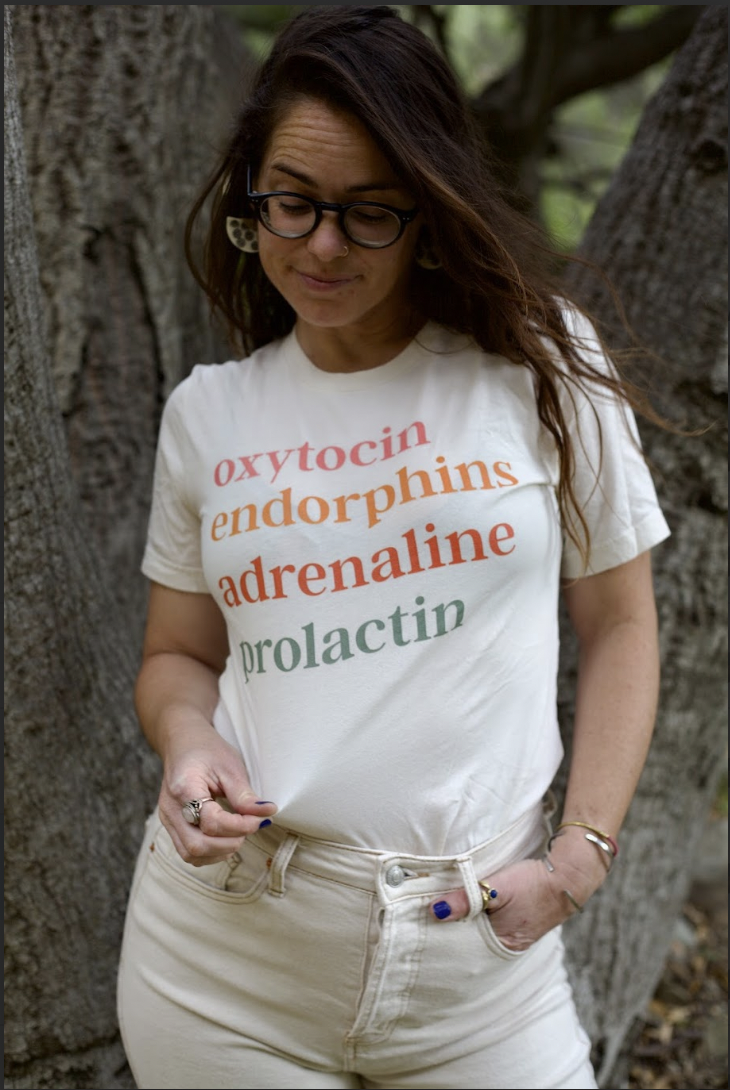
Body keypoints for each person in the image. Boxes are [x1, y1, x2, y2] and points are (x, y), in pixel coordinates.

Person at [117, 7, 671, 1089]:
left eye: (368, 212)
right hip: (225, 967)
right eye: (292, 203)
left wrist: (580, 855)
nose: (322, 245)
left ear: (430, 208)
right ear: (250, 195)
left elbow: (622, 621)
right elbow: (177, 654)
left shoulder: (540, 369)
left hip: (480, 973)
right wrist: (189, 745)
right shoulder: (208, 415)